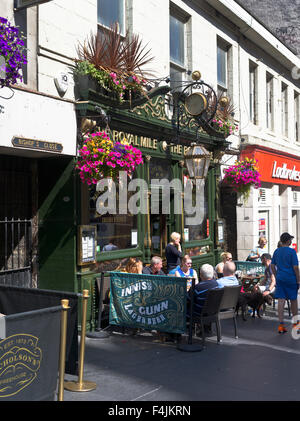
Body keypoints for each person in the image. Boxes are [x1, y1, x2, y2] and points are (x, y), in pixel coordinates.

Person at [271, 232, 300, 334]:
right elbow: (296, 267)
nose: (291, 241)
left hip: (281, 278)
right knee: (293, 301)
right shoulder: (292, 252)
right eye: (290, 240)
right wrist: (298, 280)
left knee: (281, 301)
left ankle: (281, 325)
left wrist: (276, 274)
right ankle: (296, 326)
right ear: (288, 241)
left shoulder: (276, 251)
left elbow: (272, 265)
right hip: (291, 279)